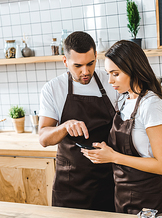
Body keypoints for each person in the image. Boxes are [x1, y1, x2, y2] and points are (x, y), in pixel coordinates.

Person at [81, 40, 162, 215]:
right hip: (121, 196)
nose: (110, 81)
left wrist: (114, 157)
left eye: (115, 74)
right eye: (109, 73)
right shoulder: (124, 100)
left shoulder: (151, 104)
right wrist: (105, 152)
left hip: (148, 200)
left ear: (133, 70)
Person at [39, 31, 118, 211]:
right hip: (70, 187)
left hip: (108, 182)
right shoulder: (53, 89)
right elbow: (44, 138)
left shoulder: (111, 82)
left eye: (90, 63)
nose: (85, 71)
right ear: (65, 61)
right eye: (78, 66)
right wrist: (65, 126)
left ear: (96, 56)